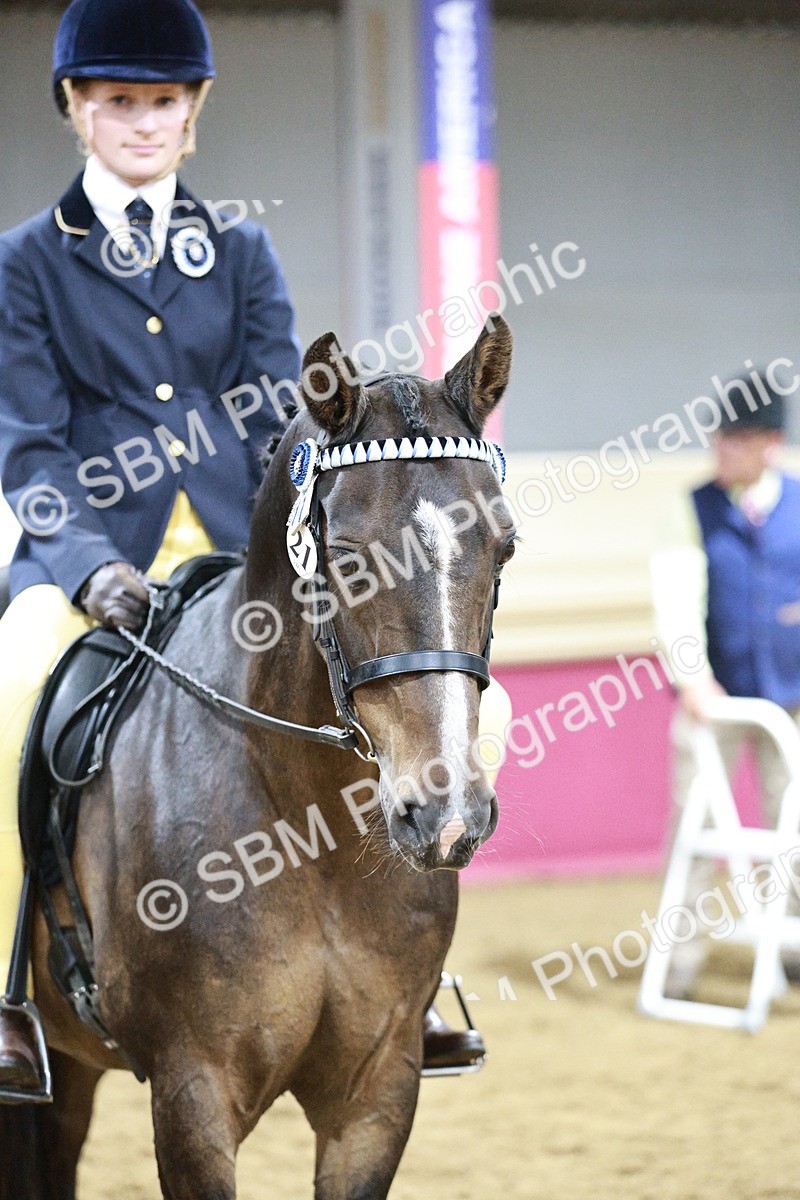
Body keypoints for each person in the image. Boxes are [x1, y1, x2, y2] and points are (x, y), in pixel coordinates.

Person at [0, 0, 489, 1095]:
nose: (140, 120)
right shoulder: (27, 260)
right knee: (11, 690)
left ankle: (412, 980)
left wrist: (319, 532)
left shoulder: (241, 250)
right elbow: (27, 449)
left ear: (194, 113)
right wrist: (85, 562)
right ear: (77, 110)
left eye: (161, 101)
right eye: (116, 100)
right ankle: (7, 999)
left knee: (415, 685)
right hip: (91, 570)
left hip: (243, 561)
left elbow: (281, 418)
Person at [651, 370, 800, 996]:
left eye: (736, 441)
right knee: (693, 824)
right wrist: (693, 679)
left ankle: (791, 949)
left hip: (790, 697)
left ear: (768, 442)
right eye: (719, 438)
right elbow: (675, 599)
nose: (722, 451)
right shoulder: (692, 507)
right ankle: (679, 962)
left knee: (791, 822)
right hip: (714, 697)